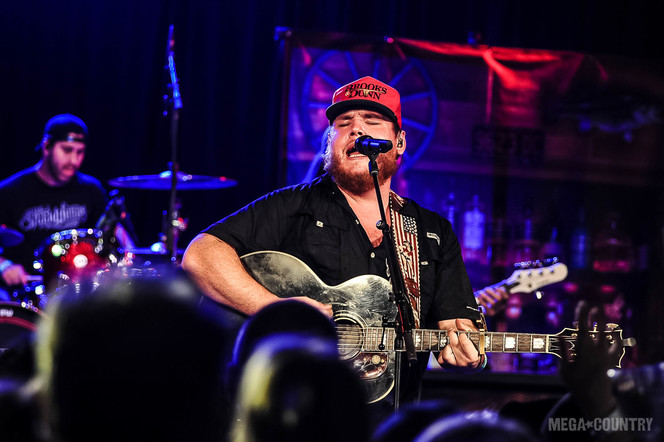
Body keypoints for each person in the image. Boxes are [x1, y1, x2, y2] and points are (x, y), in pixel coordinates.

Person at [182, 76, 485, 404]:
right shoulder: (293, 205)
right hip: (297, 413)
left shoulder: (433, 232)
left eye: (372, 120)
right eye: (344, 123)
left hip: (389, 422)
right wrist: (277, 309)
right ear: (330, 141)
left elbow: (458, 328)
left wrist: (471, 356)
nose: (357, 129)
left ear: (399, 142)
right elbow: (200, 255)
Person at [0, 114, 134, 298]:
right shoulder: (10, 191)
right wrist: (4, 265)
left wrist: (131, 258)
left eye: (80, 152)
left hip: (80, 293)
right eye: (67, 150)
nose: (74, 160)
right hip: (26, 293)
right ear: (46, 146)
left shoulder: (91, 189)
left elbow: (112, 232)